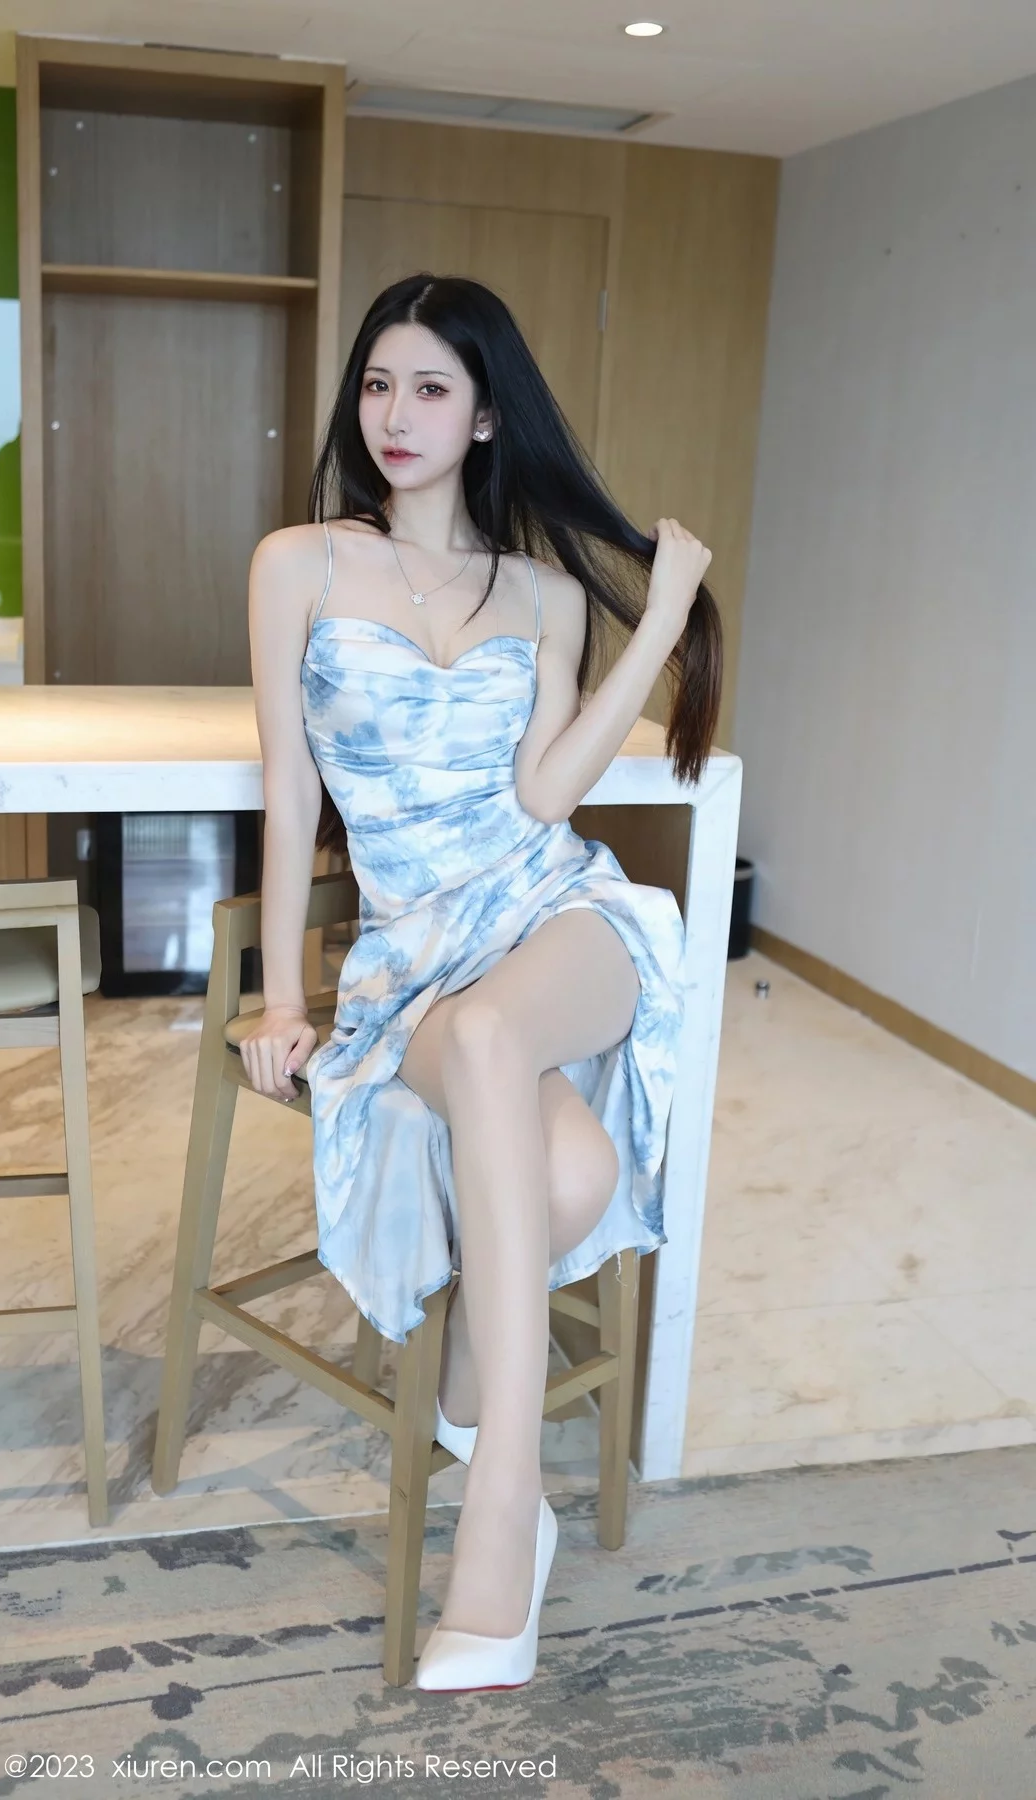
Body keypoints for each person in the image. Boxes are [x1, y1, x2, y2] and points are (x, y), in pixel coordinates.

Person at [241, 272, 720, 1691]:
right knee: (569, 1174)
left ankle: (501, 1504)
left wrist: (661, 618)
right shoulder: (300, 565)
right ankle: (478, 1397)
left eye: (431, 388)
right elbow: (288, 795)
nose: (395, 415)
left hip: (559, 913)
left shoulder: (549, 594)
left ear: (489, 415)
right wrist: (285, 998)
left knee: (507, 1033)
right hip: (413, 961)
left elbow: (547, 795)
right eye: (377, 385)